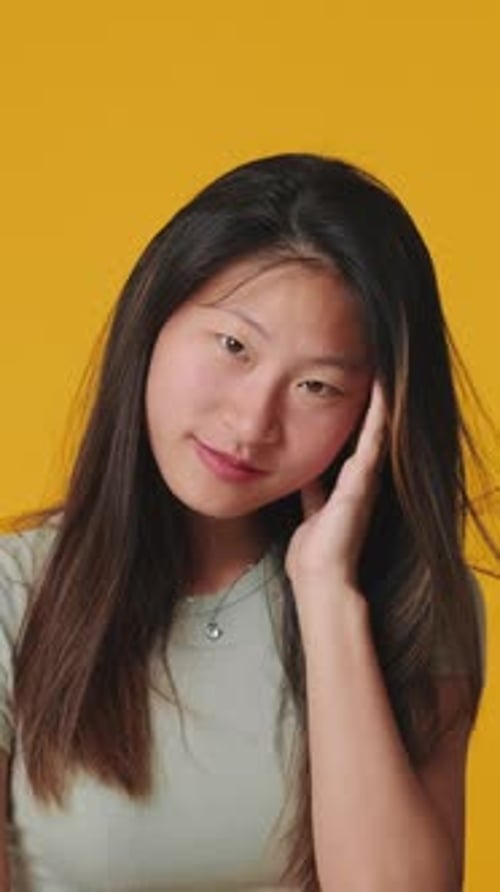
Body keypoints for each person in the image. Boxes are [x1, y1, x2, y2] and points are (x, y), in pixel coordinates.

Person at [0, 153, 492, 892]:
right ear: (156, 318)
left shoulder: (417, 604)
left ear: (374, 417)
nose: (251, 422)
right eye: (234, 346)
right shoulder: (15, 591)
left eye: (317, 386)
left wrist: (327, 596)